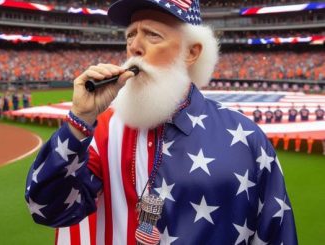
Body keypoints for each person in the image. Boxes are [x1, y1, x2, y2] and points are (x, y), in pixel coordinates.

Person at [25, 1, 297, 244]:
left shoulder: (245, 137)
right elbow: (48, 208)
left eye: (152, 35)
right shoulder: (105, 131)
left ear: (191, 52)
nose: (134, 46)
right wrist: (79, 121)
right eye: (130, 35)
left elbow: (276, 233)